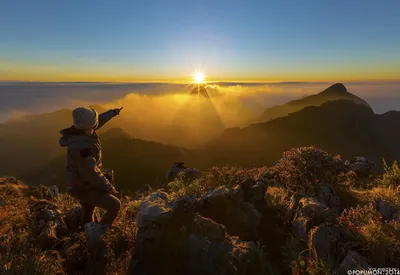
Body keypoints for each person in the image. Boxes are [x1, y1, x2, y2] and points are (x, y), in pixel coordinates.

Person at [59, 106, 123, 226]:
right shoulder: (82, 148)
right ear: (90, 126)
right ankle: (98, 234)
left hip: (80, 182)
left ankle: (85, 233)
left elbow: (98, 121)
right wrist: (110, 188)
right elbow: (91, 173)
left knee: (88, 211)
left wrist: (112, 113)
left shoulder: (82, 131)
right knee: (115, 205)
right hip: (82, 187)